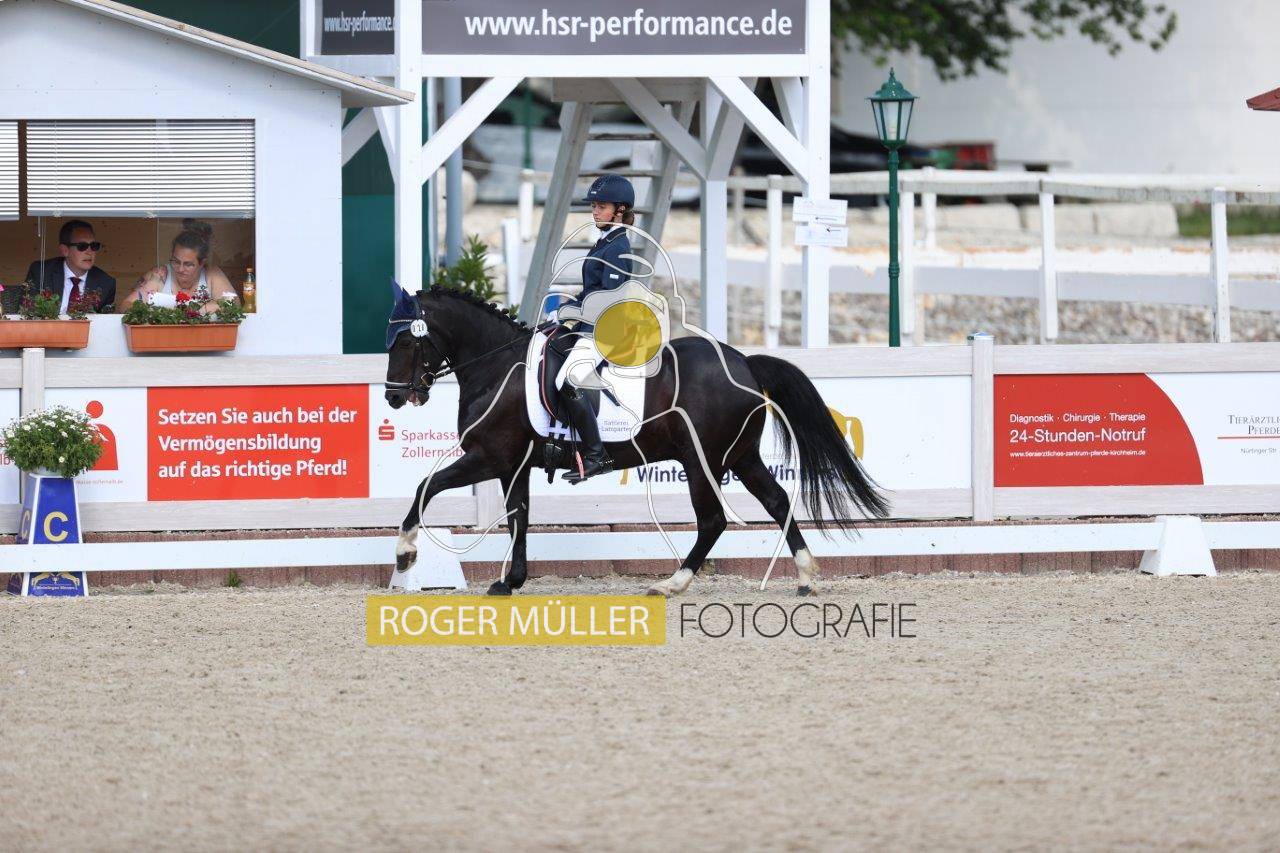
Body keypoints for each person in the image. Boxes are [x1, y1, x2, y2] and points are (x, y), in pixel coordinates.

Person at [553, 173, 635, 484]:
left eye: (601, 207)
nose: (595, 211)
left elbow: (608, 298)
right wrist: (564, 311)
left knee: (568, 380)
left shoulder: (617, 247)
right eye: (594, 206)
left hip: (605, 330)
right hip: (589, 326)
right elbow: (591, 291)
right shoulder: (605, 242)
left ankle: (596, 455)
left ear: (619, 210)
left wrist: (576, 315)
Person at [117, 220, 240, 314]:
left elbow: (234, 305)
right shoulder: (160, 274)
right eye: (175, 262)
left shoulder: (211, 273)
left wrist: (189, 310)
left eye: (188, 264)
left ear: (202, 263)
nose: (180, 269)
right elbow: (125, 306)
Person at [24, 219, 117, 313]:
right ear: (65, 250)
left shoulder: (106, 283)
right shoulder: (41, 272)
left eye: (94, 246)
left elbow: (105, 320)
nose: (89, 252)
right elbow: (27, 311)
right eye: (82, 246)